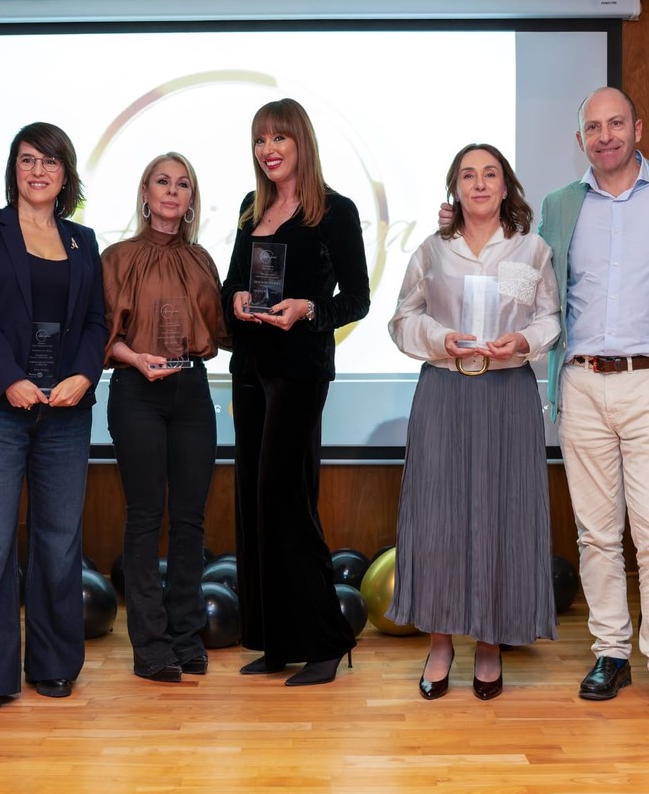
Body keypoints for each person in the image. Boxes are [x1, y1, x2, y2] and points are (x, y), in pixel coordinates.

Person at [537, 87, 649, 721]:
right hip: (581, 383)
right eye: (592, 127)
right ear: (579, 138)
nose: (605, 135)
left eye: (616, 123)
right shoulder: (559, 207)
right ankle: (610, 653)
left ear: (639, 126)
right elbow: (528, 277)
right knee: (596, 534)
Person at [390, 144, 560, 701]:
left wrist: (526, 342)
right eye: (469, 175)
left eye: (490, 174)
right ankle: (440, 644)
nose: (480, 184)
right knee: (438, 519)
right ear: (455, 188)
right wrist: (439, 340)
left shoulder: (531, 249)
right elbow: (402, 319)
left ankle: (490, 644)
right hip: (444, 392)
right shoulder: (433, 250)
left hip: (507, 394)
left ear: (505, 186)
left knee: (500, 517)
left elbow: (550, 318)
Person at [0, 122, 106, 710]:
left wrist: (84, 376)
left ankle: (54, 663)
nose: (38, 171)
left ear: (66, 175)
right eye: (27, 160)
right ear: (13, 169)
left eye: (50, 161)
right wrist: (10, 379)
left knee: (60, 541)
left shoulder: (82, 241)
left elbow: (96, 321)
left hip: (66, 411)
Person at [220, 98, 370, 686]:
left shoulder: (336, 211)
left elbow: (355, 299)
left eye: (279, 138)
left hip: (301, 371)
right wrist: (234, 298)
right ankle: (276, 641)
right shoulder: (247, 210)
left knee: (286, 500)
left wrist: (308, 309)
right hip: (251, 368)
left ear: (301, 143)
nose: (269, 150)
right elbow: (236, 281)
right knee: (254, 505)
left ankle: (328, 641)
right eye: (260, 140)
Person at [101, 153, 229, 683]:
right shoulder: (116, 257)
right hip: (136, 390)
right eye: (162, 182)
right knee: (145, 515)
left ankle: (185, 636)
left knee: (191, 519)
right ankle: (151, 646)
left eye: (182, 184)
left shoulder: (203, 260)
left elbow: (221, 331)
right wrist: (134, 358)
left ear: (191, 199)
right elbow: (102, 334)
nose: (172, 192)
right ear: (146, 193)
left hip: (192, 390)